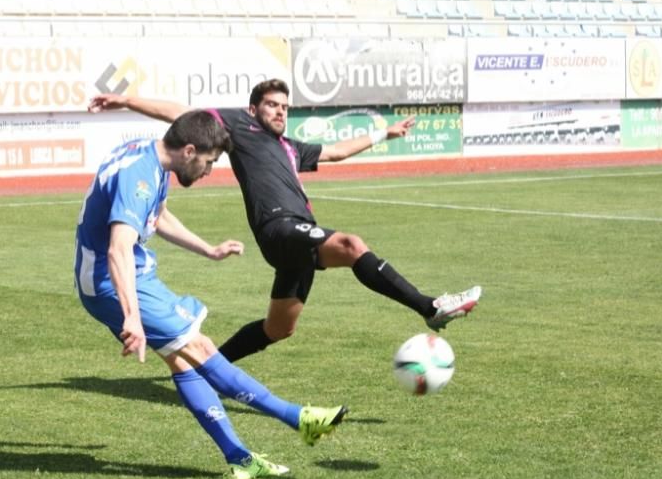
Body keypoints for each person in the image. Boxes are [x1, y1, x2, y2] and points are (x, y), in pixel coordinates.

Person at [88, 79, 482, 364]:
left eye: (285, 107)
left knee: (279, 329)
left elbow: (339, 151)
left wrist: (385, 132)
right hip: (278, 228)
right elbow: (181, 115)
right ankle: (429, 306)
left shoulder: (291, 147)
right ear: (254, 108)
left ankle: (210, 369)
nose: (280, 111)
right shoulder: (239, 128)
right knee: (351, 245)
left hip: (296, 238)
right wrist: (125, 100)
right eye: (273, 104)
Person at [75, 109, 347, 479]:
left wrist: (208, 249)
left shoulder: (150, 156)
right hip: (113, 278)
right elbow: (118, 248)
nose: (208, 171)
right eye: (209, 161)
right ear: (189, 150)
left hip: (127, 274)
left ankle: (240, 458)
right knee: (200, 349)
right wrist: (131, 317)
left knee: (182, 362)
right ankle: (299, 418)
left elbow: (159, 215)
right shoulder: (139, 175)